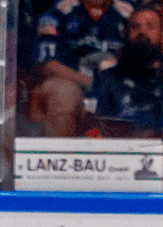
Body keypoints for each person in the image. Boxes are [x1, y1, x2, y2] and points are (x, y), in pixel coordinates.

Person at [31, 0, 134, 136]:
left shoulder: (130, 12)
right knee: (63, 92)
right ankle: (60, 154)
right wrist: (88, 81)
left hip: (117, 87)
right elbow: (47, 64)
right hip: (71, 84)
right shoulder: (57, 12)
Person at [84, 3, 163, 137]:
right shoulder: (107, 78)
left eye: (150, 26)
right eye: (135, 27)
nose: (142, 32)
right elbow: (92, 125)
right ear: (126, 34)